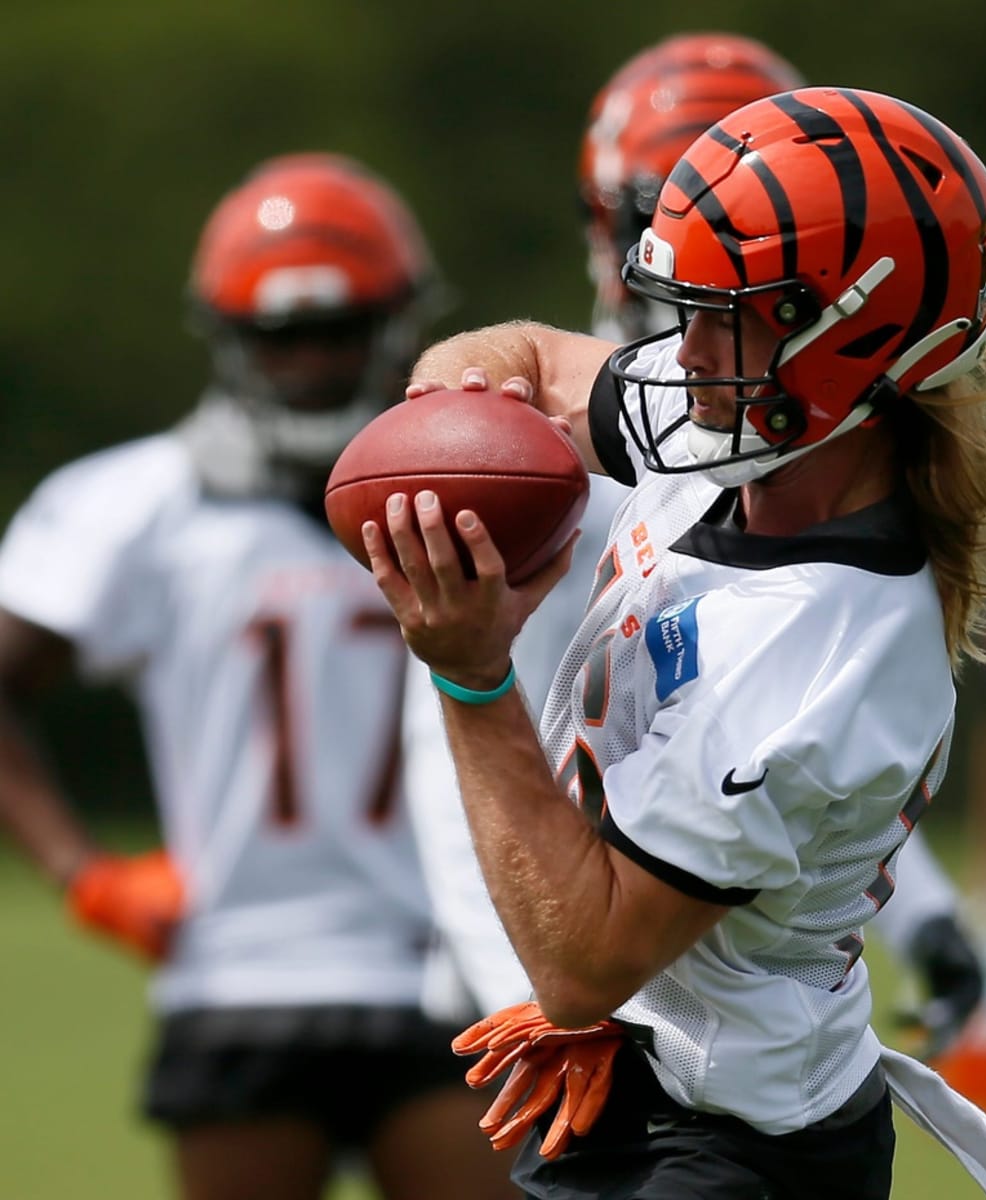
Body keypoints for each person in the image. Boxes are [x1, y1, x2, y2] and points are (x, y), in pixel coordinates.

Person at [362, 87, 986, 1198]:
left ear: (852, 333)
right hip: (658, 1095)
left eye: (722, 313)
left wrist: (471, 677)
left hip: (726, 1148)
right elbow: (539, 361)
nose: (682, 350)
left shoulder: (817, 649)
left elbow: (579, 964)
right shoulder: (765, 424)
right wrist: (463, 407)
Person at [0, 153, 516, 1200]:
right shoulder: (138, 504)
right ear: (232, 339)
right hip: (239, 971)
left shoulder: (490, 484)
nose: (315, 364)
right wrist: (80, 871)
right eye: (285, 338)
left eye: (339, 330)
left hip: (449, 964)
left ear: (398, 319)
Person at [574, 29, 986, 1062]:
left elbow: (772, 771)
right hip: (573, 966)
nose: (687, 330)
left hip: (621, 987)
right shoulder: (699, 429)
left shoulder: (826, 565)